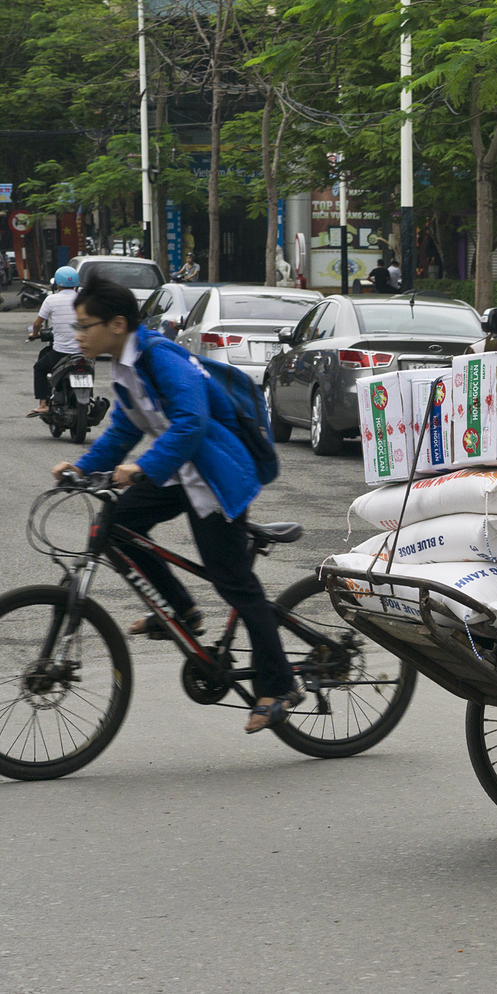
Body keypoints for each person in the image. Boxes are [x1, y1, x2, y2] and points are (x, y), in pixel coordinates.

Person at [52, 278, 300, 734]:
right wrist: (83, 469)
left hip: (215, 476)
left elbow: (192, 421)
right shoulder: (125, 366)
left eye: (86, 325)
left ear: (118, 324)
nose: (79, 334)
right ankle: (181, 610)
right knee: (116, 525)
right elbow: (124, 431)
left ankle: (280, 684)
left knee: (235, 585)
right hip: (181, 471)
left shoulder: (158, 357)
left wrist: (141, 468)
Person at [26, 266, 83, 417]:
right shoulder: (84, 300)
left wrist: (34, 334)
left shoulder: (51, 299)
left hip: (61, 352)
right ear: (76, 284)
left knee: (40, 367)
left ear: (57, 284)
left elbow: (38, 323)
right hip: (84, 351)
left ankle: (43, 404)